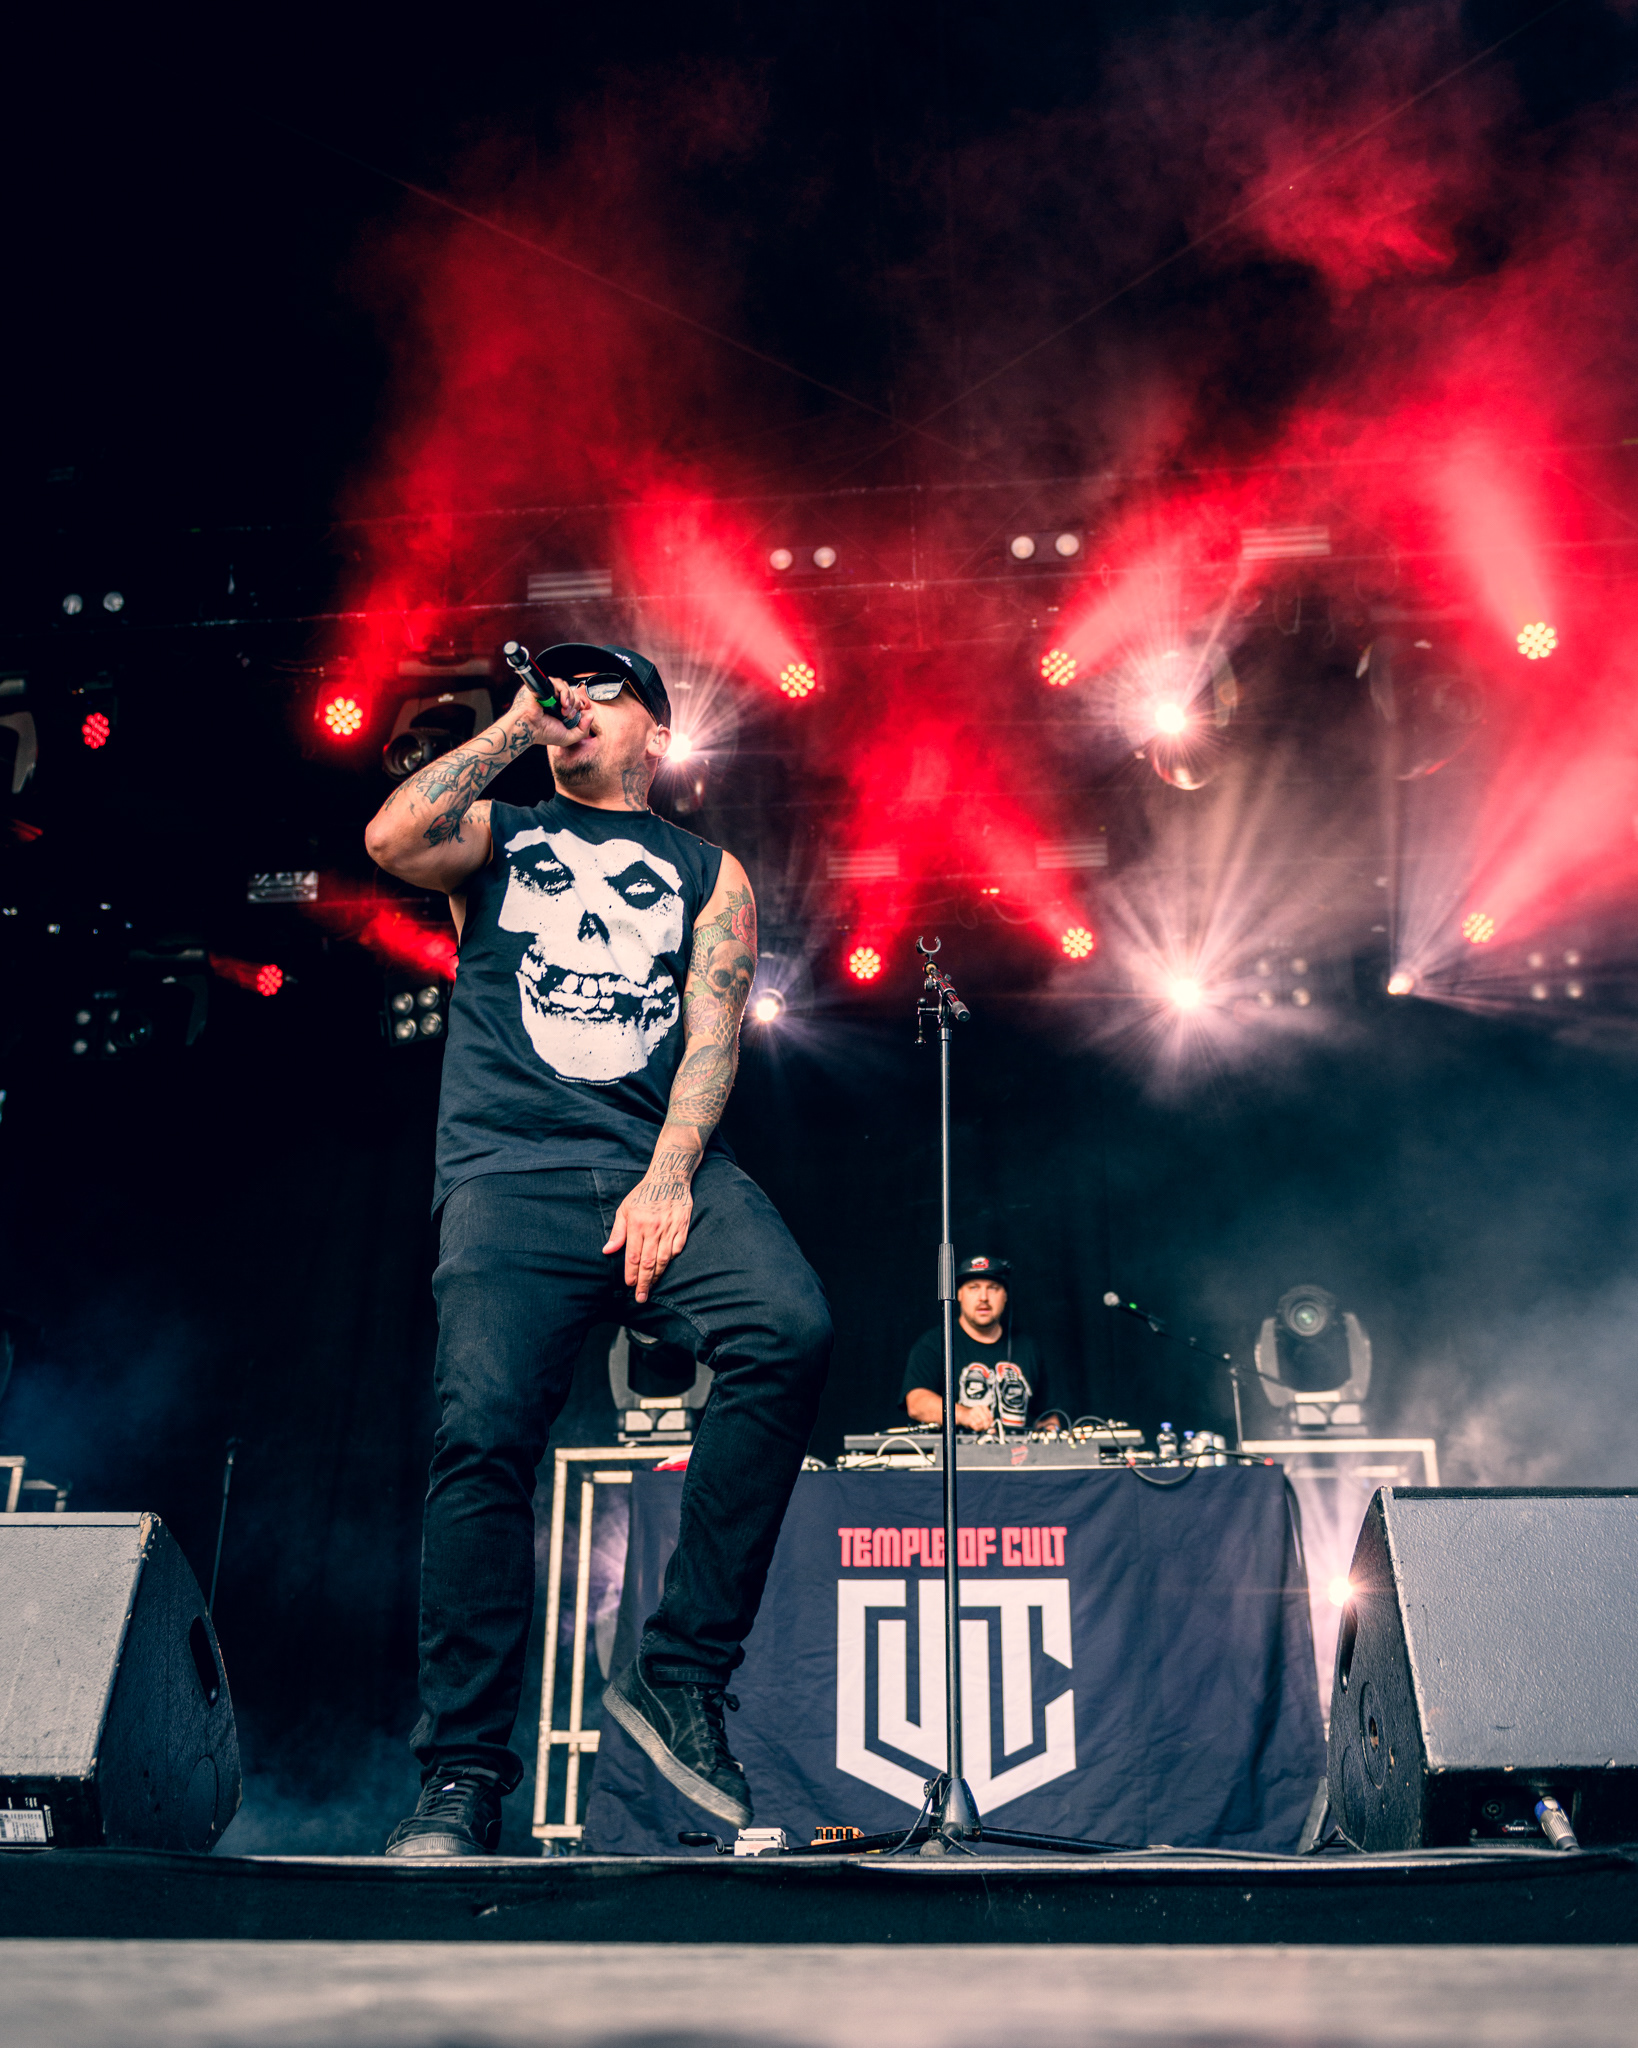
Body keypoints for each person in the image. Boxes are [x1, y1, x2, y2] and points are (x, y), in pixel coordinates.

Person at [364, 641, 832, 1856]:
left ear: (658, 733)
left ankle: (679, 1671)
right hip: (508, 1172)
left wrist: (669, 1175)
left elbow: (712, 1036)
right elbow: (392, 839)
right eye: (561, 683)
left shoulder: (707, 872)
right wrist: (517, 726)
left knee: (787, 1327)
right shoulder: (501, 833)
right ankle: (462, 1777)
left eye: (603, 688)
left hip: (653, 1162)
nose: (576, 698)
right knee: (482, 1441)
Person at [901, 1255, 1042, 1431]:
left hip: (1018, 1448)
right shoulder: (934, 1343)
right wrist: (963, 1414)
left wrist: (1051, 1433)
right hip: (956, 1448)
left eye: (993, 1288)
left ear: (1005, 1295)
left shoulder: (1027, 1347)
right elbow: (916, 1403)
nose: (983, 1297)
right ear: (959, 1294)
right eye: (974, 1288)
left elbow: (1049, 1414)